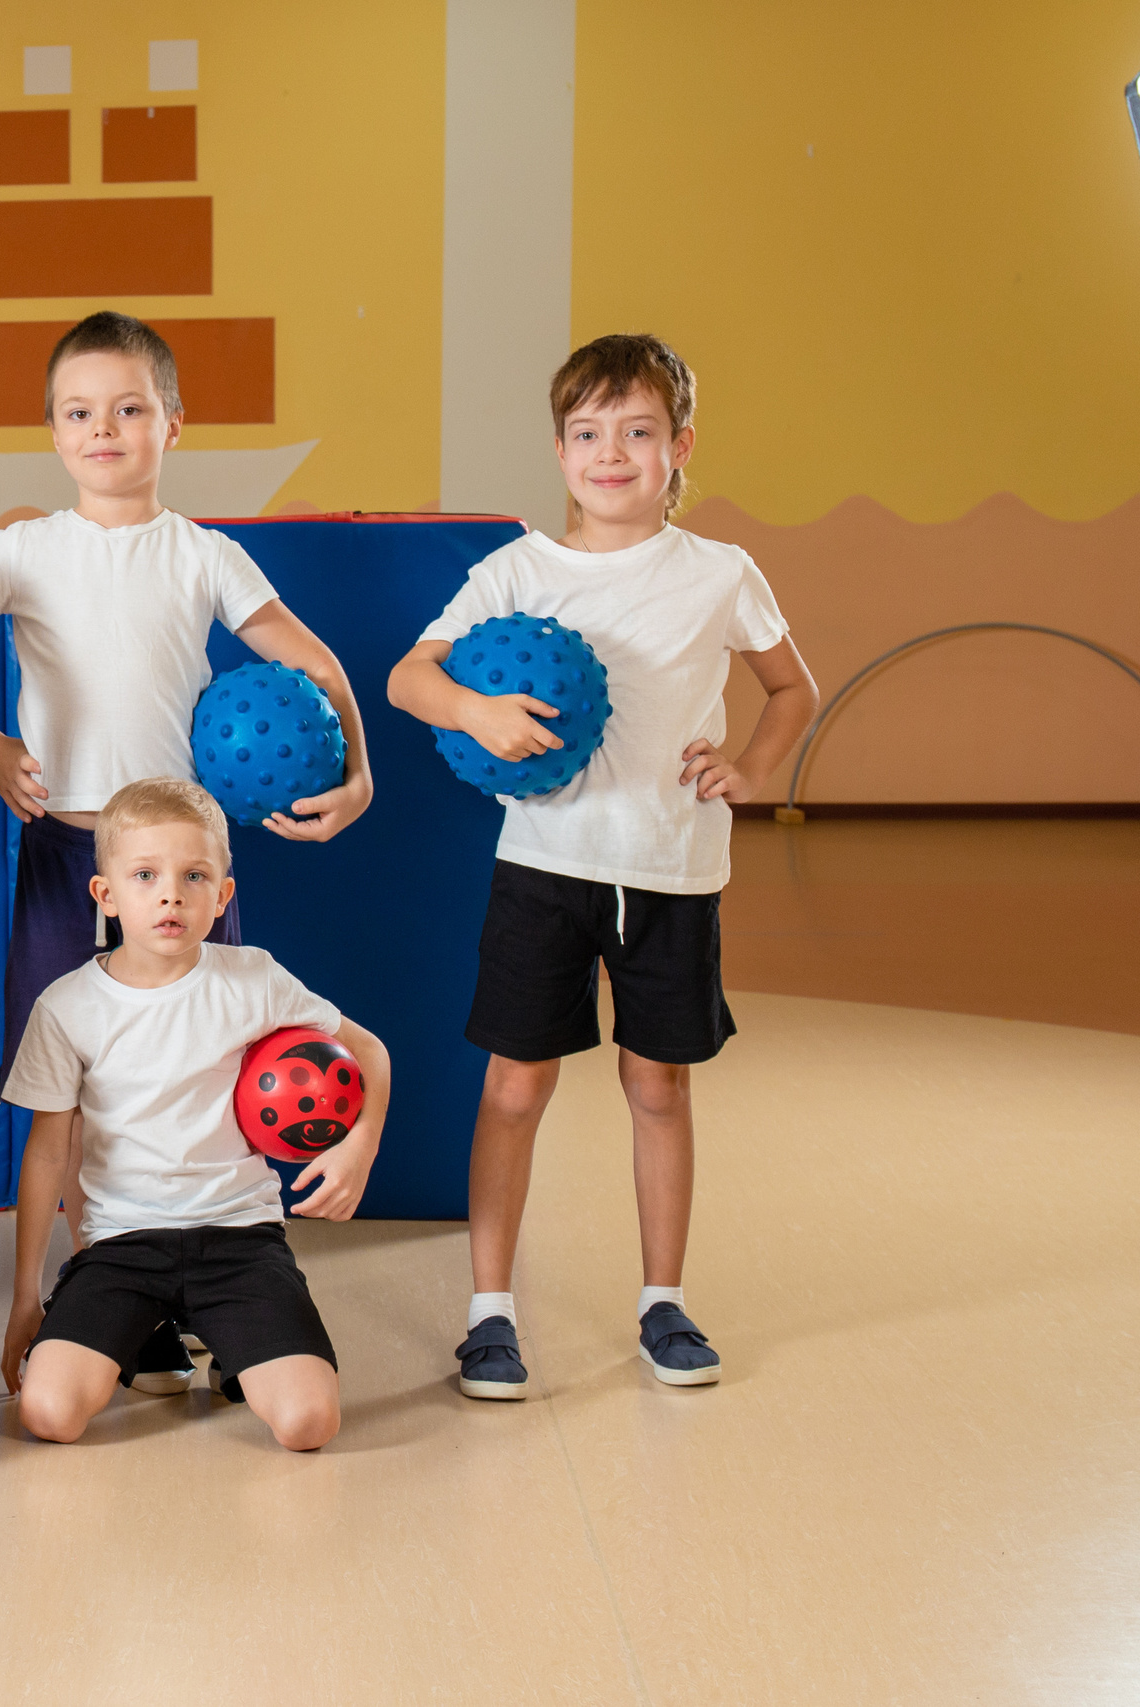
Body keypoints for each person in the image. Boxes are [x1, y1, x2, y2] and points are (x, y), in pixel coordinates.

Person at [0, 310, 377, 1390]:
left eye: (127, 409)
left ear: (172, 423)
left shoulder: (205, 555)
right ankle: (102, 1279)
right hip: (68, 856)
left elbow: (312, 659)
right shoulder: (23, 549)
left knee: (206, 1068)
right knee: (67, 1086)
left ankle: (220, 1272)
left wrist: (360, 772)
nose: (103, 429)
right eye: (78, 413)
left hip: (178, 868)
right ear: (53, 433)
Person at [385, 332, 818, 1399]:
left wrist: (753, 770)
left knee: (656, 1087)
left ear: (678, 446)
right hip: (543, 864)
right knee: (515, 1087)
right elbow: (406, 679)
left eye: (635, 432)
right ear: (558, 448)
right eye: (587, 433)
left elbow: (791, 689)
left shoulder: (720, 572)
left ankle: (661, 1302)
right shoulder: (517, 570)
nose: (610, 452)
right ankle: (489, 1315)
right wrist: (472, 709)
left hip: (671, 870)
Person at [0, 776, 390, 1450]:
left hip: (238, 1238)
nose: (170, 893)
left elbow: (371, 1052)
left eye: (194, 874)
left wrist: (359, 1145)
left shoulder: (252, 978)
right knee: (49, 1412)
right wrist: (25, 1294)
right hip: (121, 1245)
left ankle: (239, 1341)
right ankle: (145, 1332)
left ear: (223, 895)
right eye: (145, 874)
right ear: (107, 894)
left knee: (307, 1423)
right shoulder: (66, 1006)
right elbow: (47, 1151)